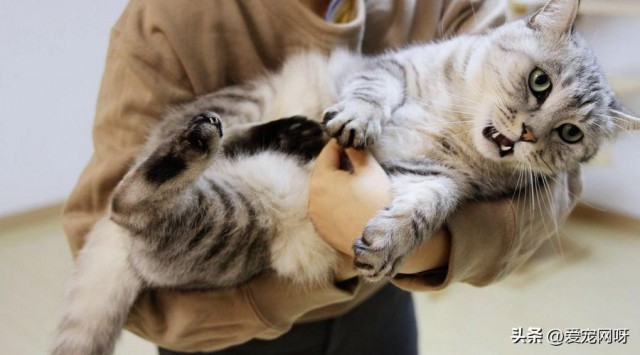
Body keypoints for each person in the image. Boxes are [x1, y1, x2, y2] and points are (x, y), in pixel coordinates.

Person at [61, 0, 581, 354]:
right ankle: (171, 192)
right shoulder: (166, 20)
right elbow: (102, 240)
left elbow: (559, 187)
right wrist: (280, 289)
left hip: (381, 304)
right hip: (226, 330)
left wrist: (423, 245)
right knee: (188, 221)